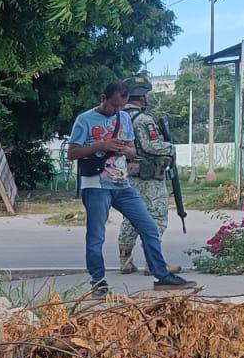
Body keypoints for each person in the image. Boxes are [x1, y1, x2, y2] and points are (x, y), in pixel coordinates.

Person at [68, 80, 191, 296]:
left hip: (121, 183)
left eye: (121, 106)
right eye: (113, 105)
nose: (116, 110)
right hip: (96, 184)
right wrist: (102, 146)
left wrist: (126, 150)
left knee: (149, 227)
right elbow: (73, 153)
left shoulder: (124, 118)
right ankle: (98, 282)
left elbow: (134, 150)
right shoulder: (84, 120)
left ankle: (161, 275)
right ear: (103, 98)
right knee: (96, 235)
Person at [117, 82, 179, 275]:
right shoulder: (144, 119)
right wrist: (170, 148)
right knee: (158, 216)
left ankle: (125, 260)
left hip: (128, 174)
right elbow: (151, 146)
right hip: (149, 177)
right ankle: (154, 262)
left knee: (131, 217)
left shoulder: (119, 117)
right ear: (142, 98)